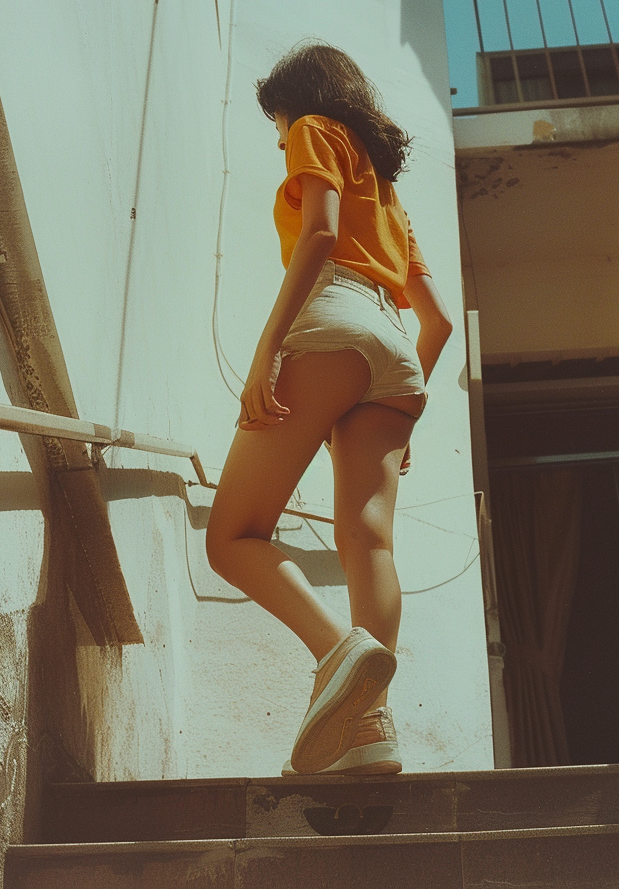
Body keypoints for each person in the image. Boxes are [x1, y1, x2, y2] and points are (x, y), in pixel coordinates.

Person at [205, 43, 453, 776]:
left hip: (334, 318)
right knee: (369, 543)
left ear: (298, 100)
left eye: (276, 122)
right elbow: (437, 323)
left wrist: (268, 349)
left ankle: (337, 653)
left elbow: (317, 233)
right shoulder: (392, 198)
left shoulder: (318, 127)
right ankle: (366, 727)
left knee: (233, 536)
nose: (282, 138)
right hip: (396, 353)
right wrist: (401, 404)